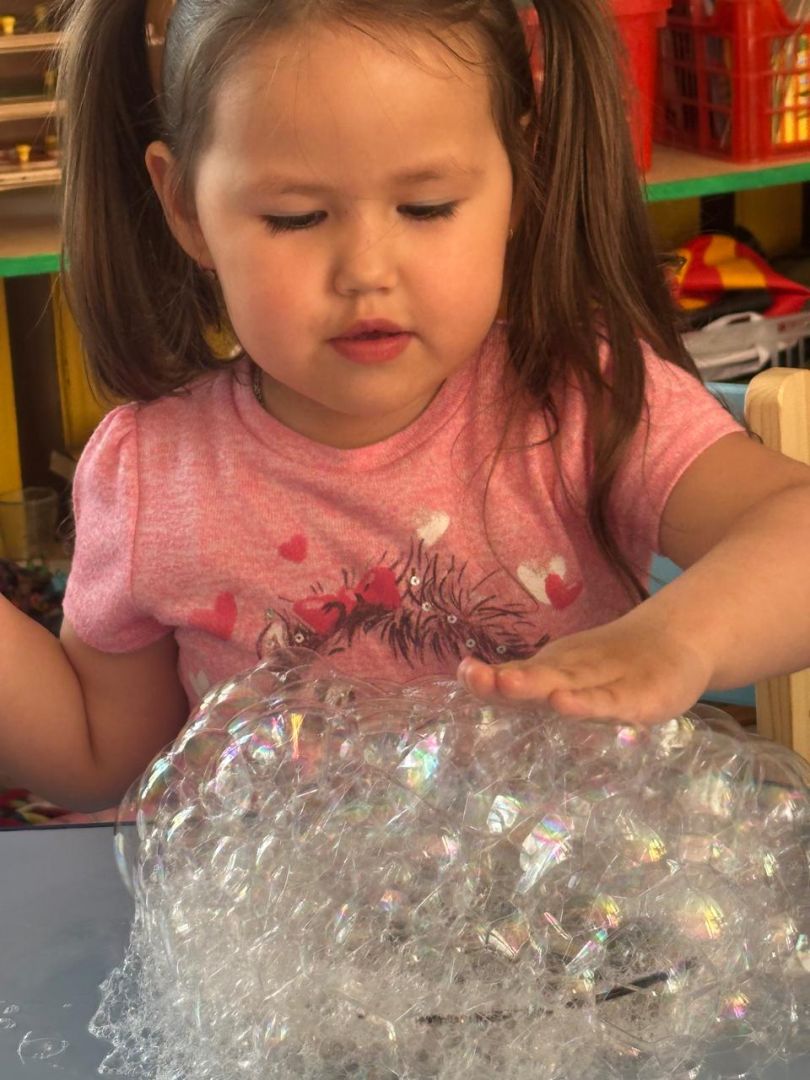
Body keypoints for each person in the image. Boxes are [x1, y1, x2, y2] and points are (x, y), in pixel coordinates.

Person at [1, 0, 809, 813]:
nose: (367, 270)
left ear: (519, 175)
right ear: (185, 207)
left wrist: (677, 639)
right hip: (287, 896)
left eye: (427, 207)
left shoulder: (582, 403)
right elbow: (104, 760)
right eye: (294, 217)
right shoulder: (152, 475)